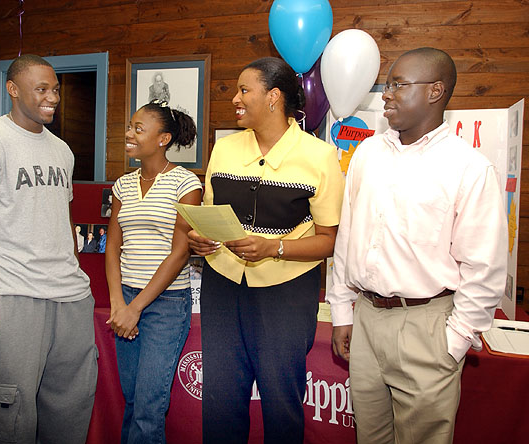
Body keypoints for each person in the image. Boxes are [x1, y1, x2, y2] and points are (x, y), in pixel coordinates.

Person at [327, 47, 507, 444]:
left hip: (428, 325)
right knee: (369, 437)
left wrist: (455, 340)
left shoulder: (469, 167)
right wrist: (342, 309)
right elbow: (348, 239)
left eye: (397, 85)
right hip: (367, 319)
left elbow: (484, 267)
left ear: (435, 91)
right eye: (387, 85)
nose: (386, 95)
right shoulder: (368, 154)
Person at [187, 57, 344, 443]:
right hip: (222, 286)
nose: (236, 99)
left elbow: (328, 241)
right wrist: (200, 239)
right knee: (221, 400)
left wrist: (274, 247)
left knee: (281, 403)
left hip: (286, 293)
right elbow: (208, 214)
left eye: (245, 90)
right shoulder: (224, 149)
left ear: (273, 97)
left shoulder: (320, 157)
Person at [0, 54, 98, 444]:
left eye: (55, 90)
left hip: (69, 295)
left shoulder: (62, 151)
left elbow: (61, 218)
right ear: (12, 89)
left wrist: (74, 268)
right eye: (41, 89)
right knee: (11, 410)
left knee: (71, 404)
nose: (52, 97)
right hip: (13, 295)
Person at [105, 99, 202, 443]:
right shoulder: (122, 185)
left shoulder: (185, 184)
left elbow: (179, 253)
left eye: (138, 129)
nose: (128, 134)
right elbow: (112, 247)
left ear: (163, 139)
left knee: (149, 405)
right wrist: (119, 304)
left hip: (164, 305)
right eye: (129, 127)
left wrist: (135, 308)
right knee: (132, 401)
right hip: (126, 300)